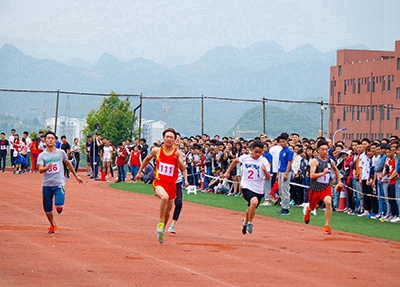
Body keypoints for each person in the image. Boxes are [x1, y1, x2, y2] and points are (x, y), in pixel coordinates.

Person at [136, 128, 186, 244]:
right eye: (167, 137)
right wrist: (139, 172)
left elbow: (183, 168)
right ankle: (160, 222)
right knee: (164, 197)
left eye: (171, 137)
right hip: (159, 182)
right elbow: (146, 159)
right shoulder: (157, 151)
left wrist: (178, 160)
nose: (169, 139)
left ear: (174, 140)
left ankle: (162, 229)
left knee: (168, 212)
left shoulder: (177, 153)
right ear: (163, 138)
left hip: (171, 185)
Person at [37, 131, 83, 234]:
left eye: (52, 138)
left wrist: (76, 176)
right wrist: (46, 167)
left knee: (58, 206)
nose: (50, 140)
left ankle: (60, 198)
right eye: (48, 138)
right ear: (44, 140)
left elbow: (68, 164)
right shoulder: (42, 155)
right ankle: (53, 224)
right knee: (47, 210)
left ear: (55, 141)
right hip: (47, 184)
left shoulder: (61, 152)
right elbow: (40, 170)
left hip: (59, 183)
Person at [224, 140, 270, 235]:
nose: (258, 154)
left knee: (251, 207)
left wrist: (265, 171)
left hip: (258, 188)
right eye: (256, 152)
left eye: (260, 153)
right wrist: (228, 172)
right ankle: (250, 223)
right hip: (246, 186)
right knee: (254, 202)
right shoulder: (245, 158)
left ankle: (245, 222)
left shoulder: (264, 161)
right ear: (251, 150)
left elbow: (268, 178)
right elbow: (235, 161)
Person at [303, 139, 342, 235]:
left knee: (328, 202)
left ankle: (327, 226)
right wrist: (323, 173)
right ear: (318, 150)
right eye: (322, 149)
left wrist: (339, 181)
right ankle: (308, 210)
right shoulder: (315, 161)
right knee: (312, 207)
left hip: (326, 187)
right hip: (315, 188)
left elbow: (336, 170)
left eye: (326, 149)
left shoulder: (330, 161)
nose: (324, 151)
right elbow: (312, 175)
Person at [276, 133, 293, 215]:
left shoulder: (288, 151)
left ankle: (286, 208)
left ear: (287, 141)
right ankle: (283, 206)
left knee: (285, 190)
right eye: (281, 142)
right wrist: (278, 173)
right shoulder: (281, 151)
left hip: (286, 171)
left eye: (283, 141)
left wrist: (286, 173)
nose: (282, 143)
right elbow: (280, 163)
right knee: (281, 190)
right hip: (281, 170)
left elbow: (289, 163)